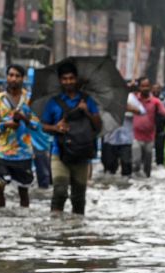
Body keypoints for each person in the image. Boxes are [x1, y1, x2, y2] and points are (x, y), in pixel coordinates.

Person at [40, 60, 102, 215]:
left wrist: (87, 111)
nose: (68, 82)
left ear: (76, 79)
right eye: (65, 79)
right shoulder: (53, 103)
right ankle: (56, 227)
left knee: (79, 198)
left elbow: (98, 125)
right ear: (60, 81)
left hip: (82, 154)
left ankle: (76, 231)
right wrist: (56, 127)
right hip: (59, 153)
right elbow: (43, 125)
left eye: (71, 78)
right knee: (60, 191)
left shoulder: (87, 100)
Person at [0, 64, 41, 208]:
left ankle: (22, 219)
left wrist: (24, 118)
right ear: (7, 77)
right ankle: (1, 216)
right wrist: (6, 125)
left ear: (23, 79)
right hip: (3, 152)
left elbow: (36, 126)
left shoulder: (30, 99)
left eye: (17, 76)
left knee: (23, 191)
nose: (13, 78)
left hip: (23, 153)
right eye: (11, 75)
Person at [100, 84, 143, 177]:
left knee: (126, 164)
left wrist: (127, 108)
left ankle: (126, 185)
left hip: (125, 139)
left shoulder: (130, 98)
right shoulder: (106, 98)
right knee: (109, 167)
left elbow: (142, 111)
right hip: (109, 138)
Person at [131, 77, 165, 177]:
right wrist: (131, 87)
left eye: (147, 86)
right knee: (136, 161)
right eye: (142, 86)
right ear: (139, 87)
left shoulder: (155, 102)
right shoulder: (134, 99)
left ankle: (146, 179)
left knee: (147, 164)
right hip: (136, 137)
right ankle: (135, 180)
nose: (145, 88)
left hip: (149, 138)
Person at [153, 82, 165, 167]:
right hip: (150, 127)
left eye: (157, 89)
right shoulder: (148, 99)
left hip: (161, 127)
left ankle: (160, 163)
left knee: (160, 147)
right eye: (154, 88)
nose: (156, 90)